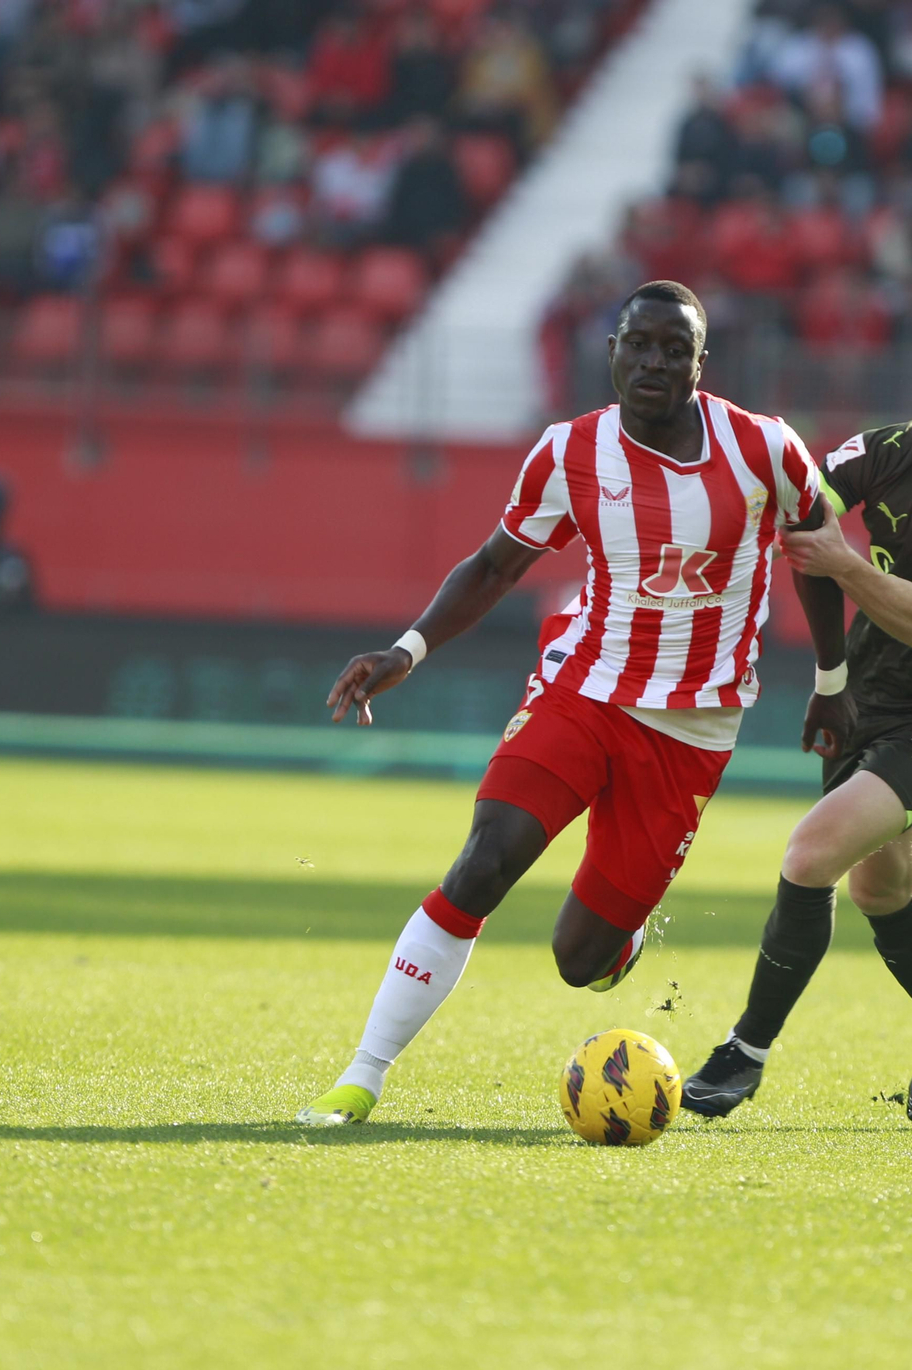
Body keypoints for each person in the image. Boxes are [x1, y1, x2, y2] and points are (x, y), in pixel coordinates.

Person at [296, 281, 831, 1126]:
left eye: (673, 349)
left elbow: (822, 553)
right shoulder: (569, 451)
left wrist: (833, 684)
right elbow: (494, 565)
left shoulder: (764, 450)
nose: (653, 361)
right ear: (611, 350)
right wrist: (408, 649)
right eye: (638, 343)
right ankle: (361, 1077)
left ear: (701, 365)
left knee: (578, 960)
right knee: (484, 861)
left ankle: (617, 937)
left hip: (692, 728)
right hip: (583, 689)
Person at [681, 329, 912, 1125]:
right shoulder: (891, 449)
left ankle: (743, 1054)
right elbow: (798, 501)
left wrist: (844, 561)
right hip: (868, 692)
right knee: (879, 886)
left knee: (811, 853)